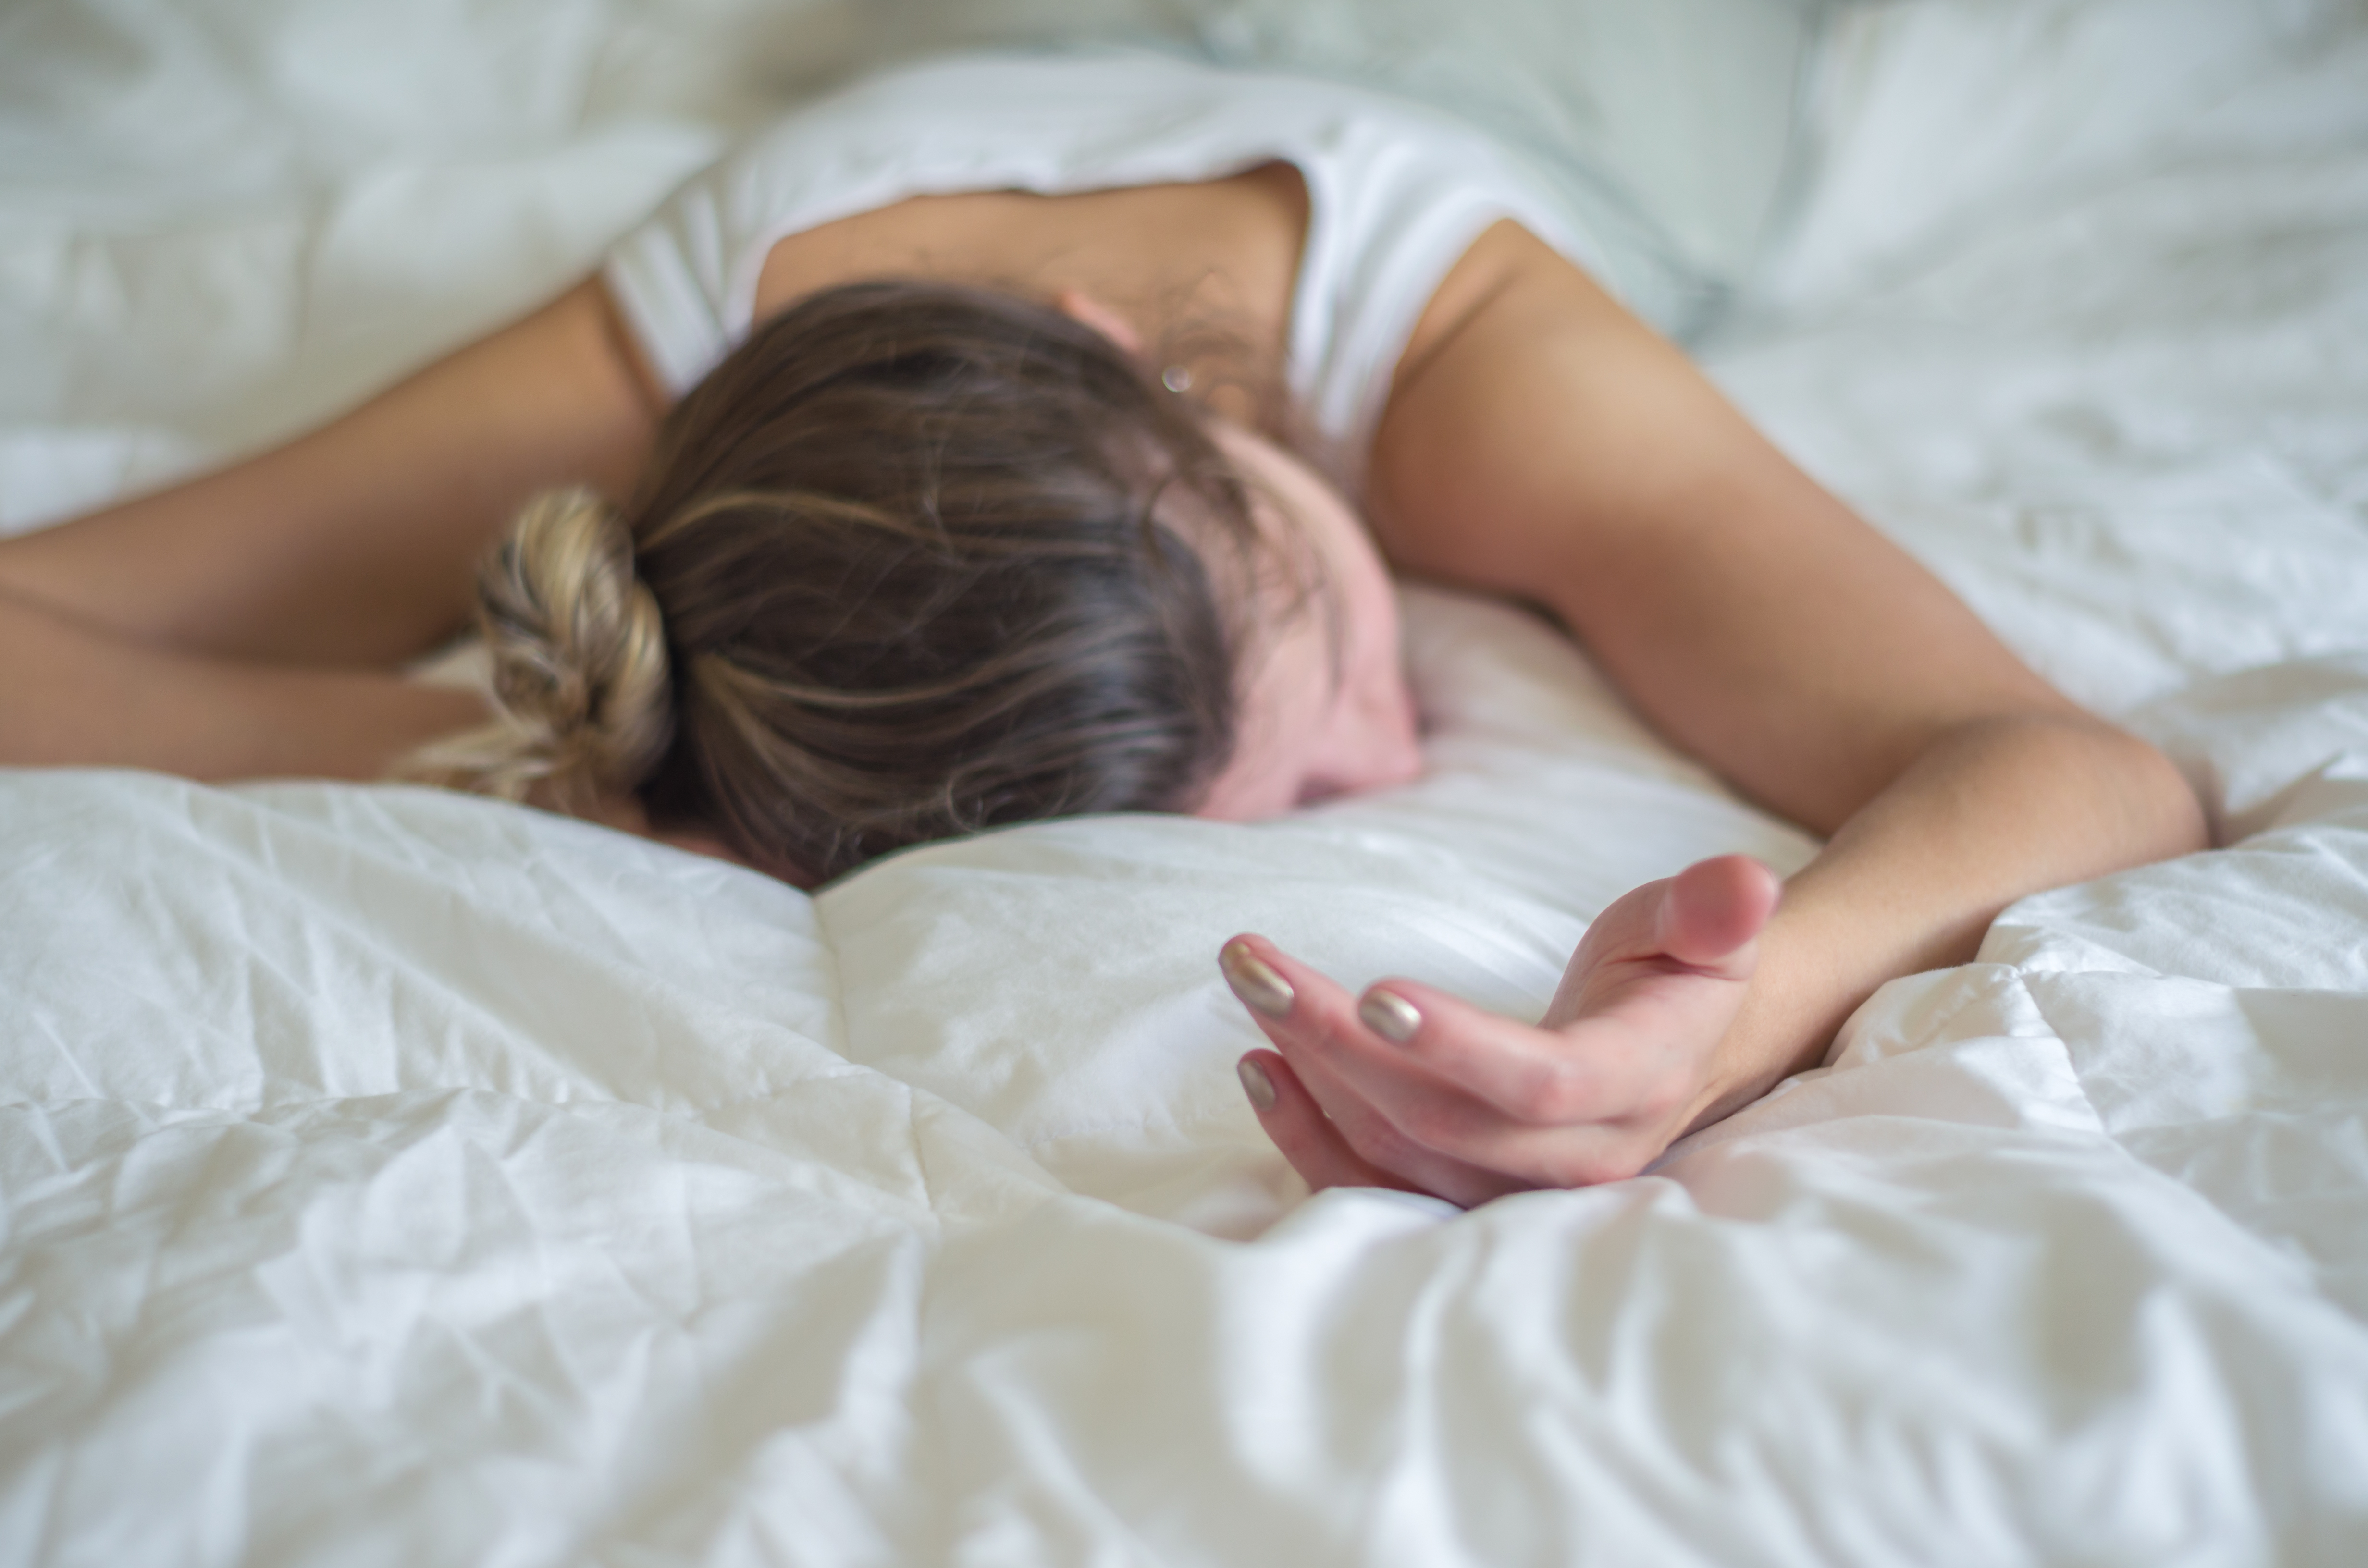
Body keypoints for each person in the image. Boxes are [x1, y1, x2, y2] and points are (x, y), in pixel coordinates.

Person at [0, 51, 2205, 1207]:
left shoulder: (1473, 361)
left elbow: (2081, 772)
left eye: (1328, 647)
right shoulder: (697, 360)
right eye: (1311, 778)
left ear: (1139, 362)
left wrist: (1730, 1028)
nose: (1388, 751)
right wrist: (621, 767)